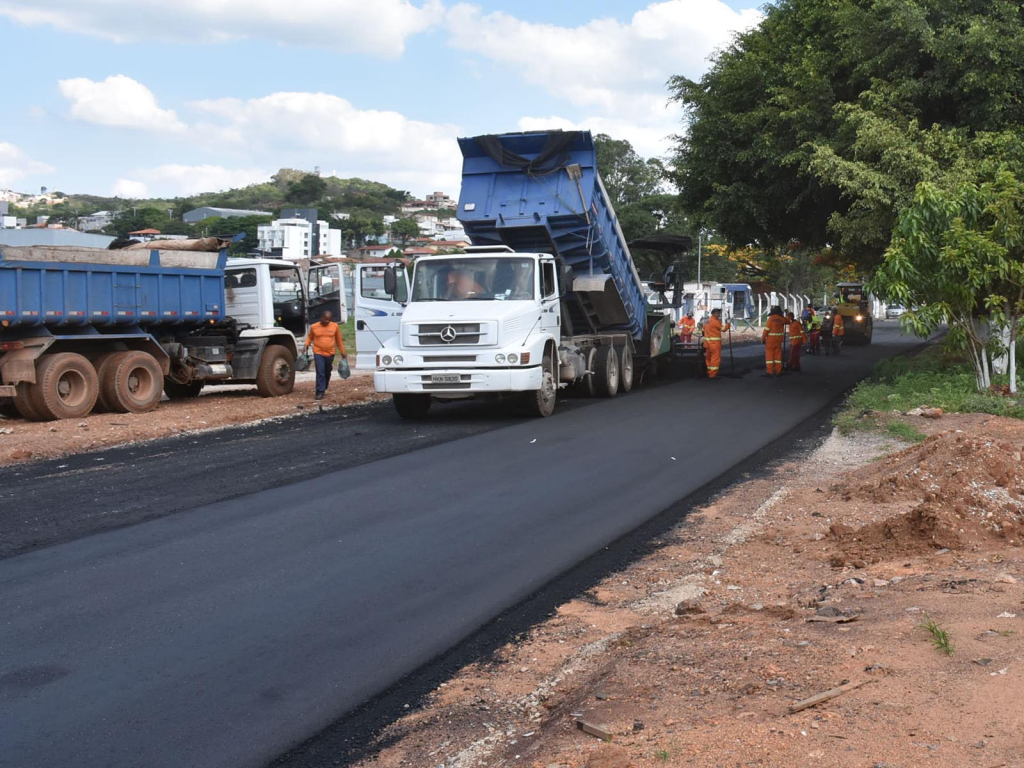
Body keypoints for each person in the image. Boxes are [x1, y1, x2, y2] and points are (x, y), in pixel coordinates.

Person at [303, 310, 347, 401]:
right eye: (325, 319)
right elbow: (310, 337)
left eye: (329, 320)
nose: (327, 321)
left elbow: (339, 341)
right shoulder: (314, 327)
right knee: (320, 372)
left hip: (330, 353)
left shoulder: (335, 326)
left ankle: (324, 385)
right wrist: (306, 345)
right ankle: (319, 391)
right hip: (318, 352)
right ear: (321, 318)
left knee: (327, 371)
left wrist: (342, 352)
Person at [702, 308, 731, 379]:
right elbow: (724, 329)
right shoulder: (715, 321)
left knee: (708, 358)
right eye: (718, 313)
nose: (719, 314)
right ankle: (712, 374)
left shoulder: (707, 321)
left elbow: (703, 330)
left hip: (707, 344)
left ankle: (709, 371)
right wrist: (728, 323)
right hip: (714, 344)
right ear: (714, 313)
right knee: (715, 359)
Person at [762, 306, 786, 376]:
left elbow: (767, 329)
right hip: (778, 340)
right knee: (778, 356)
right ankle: (778, 371)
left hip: (770, 340)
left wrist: (763, 338)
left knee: (769, 356)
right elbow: (789, 321)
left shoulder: (771, 318)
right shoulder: (782, 319)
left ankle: (770, 371)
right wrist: (786, 314)